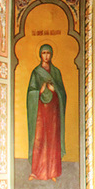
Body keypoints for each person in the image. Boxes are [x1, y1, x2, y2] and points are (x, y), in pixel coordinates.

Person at [26, 42, 67, 181]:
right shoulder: (36, 72)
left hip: (53, 112)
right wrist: (41, 89)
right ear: (40, 55)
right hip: (39, 112)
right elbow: (30, 92)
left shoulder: (56, 72)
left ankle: (52, 172)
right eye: (44, 53)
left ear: (51, 55)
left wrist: (55, 90)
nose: (46, 56)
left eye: (48, 53)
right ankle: (36, 171)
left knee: (52, 140)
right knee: (38, 138)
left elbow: (63, 93)